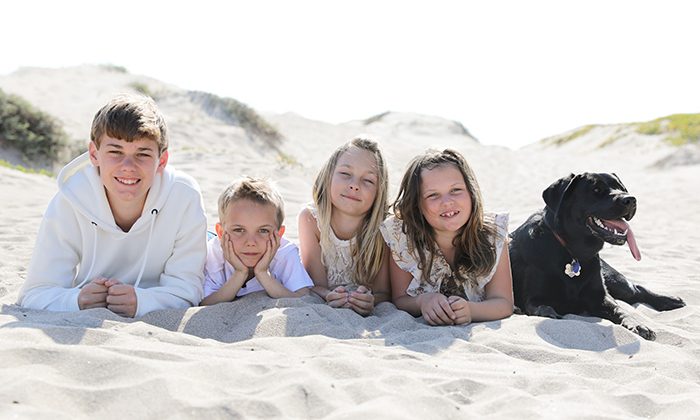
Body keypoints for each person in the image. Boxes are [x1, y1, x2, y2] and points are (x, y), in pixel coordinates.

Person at [18, 94, 207, 318]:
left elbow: (188, 292)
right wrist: (76, 300)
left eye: (142, 154)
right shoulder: (70, 199)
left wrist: (143, 300)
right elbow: (34, 293)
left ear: (162, 161)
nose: (128, 166)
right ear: (94, 154)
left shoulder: (184, 197)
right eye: (115, 152)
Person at [381, 149, 513, 325]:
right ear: (417, 204)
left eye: (456, 190)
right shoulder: (402, 238)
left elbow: (503, 303)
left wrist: (471, 311)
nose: (447, 202)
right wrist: (423, 301)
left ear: (471, 192)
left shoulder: (493, 236)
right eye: (433, 195)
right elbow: (400, 298)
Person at [298, 136, 391, 316]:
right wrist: (329, 295)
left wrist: (371, 300)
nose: (354, 185)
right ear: (328, 176)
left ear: (379, 191)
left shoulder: (385, 228)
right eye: (345, 174)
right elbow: (316, 285)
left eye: (368, 180)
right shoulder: (311, 219)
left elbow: (385, 293)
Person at [201, 177, 312, 304]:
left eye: (263, 231)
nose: (251, 242)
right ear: (221, 233)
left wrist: (263, 273)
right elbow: (205, 303)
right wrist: (239, 273)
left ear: (279, 234)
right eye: (239, 230)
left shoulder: (285, 253)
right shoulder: (212, 254)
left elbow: (304, 297)